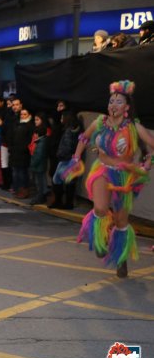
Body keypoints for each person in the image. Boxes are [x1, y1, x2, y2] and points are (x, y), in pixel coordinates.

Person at [60, 80, 154, 278]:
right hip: (102, 170)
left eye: (119, 101)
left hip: (125, 176)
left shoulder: (134, 127)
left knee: (121, 221)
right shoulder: (100, 122)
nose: (113, 105)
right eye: (111, 101)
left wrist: (148, 162)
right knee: (100, 208)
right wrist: (76, 158)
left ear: (127, 107)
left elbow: (152, 146)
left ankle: (121, 258)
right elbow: (84, 138)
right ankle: (100, 239)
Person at [49, 111, 82, 210]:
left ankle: (60, 202)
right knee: (69, 182)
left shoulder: (68, 131)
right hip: (72, 159)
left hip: (65, 159)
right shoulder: (76, 130)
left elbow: (67, 146)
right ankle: (67, 202)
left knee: (57, 180)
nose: (61, 119)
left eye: (62, 117)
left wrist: (61, 154)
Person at [29, 112, 49, 205]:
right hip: (38, 163)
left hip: (38, 164)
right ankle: (41, 195)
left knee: (40, 181)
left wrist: (33, 163)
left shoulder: (42, 140)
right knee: (39, 181)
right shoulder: (41, 140)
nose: (35, 121)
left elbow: (39, 154)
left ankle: (41, 196)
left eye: (37, 119)